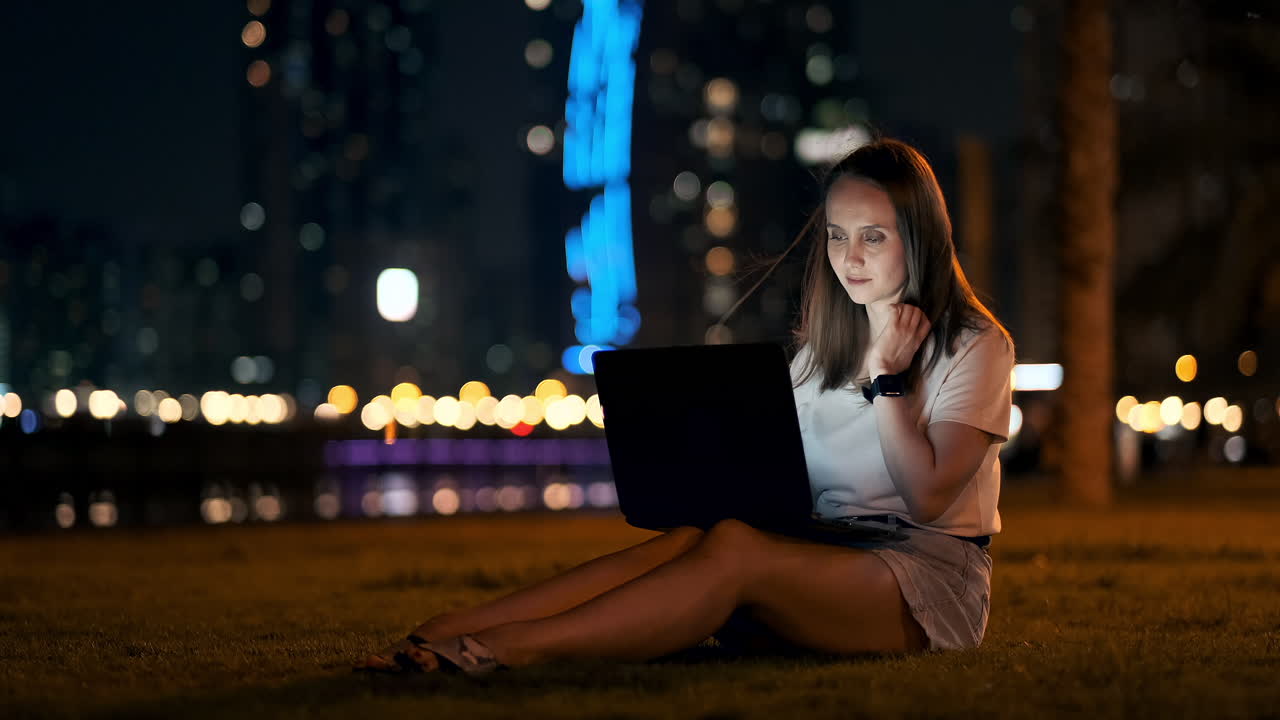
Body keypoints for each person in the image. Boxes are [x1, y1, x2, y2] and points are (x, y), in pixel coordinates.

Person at [356, 138, 1016, 675]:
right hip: (820, 549)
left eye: (874, 236)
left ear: (921, 237)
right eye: (838, 235)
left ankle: (505, 653)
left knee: (733, 548)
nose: (851, 258)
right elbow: (787, 474)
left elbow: (929, 499)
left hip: (927, 579)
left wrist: (890, 381)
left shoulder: (975, 345)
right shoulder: (823, 350)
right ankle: (442, 633)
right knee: (691, 538)